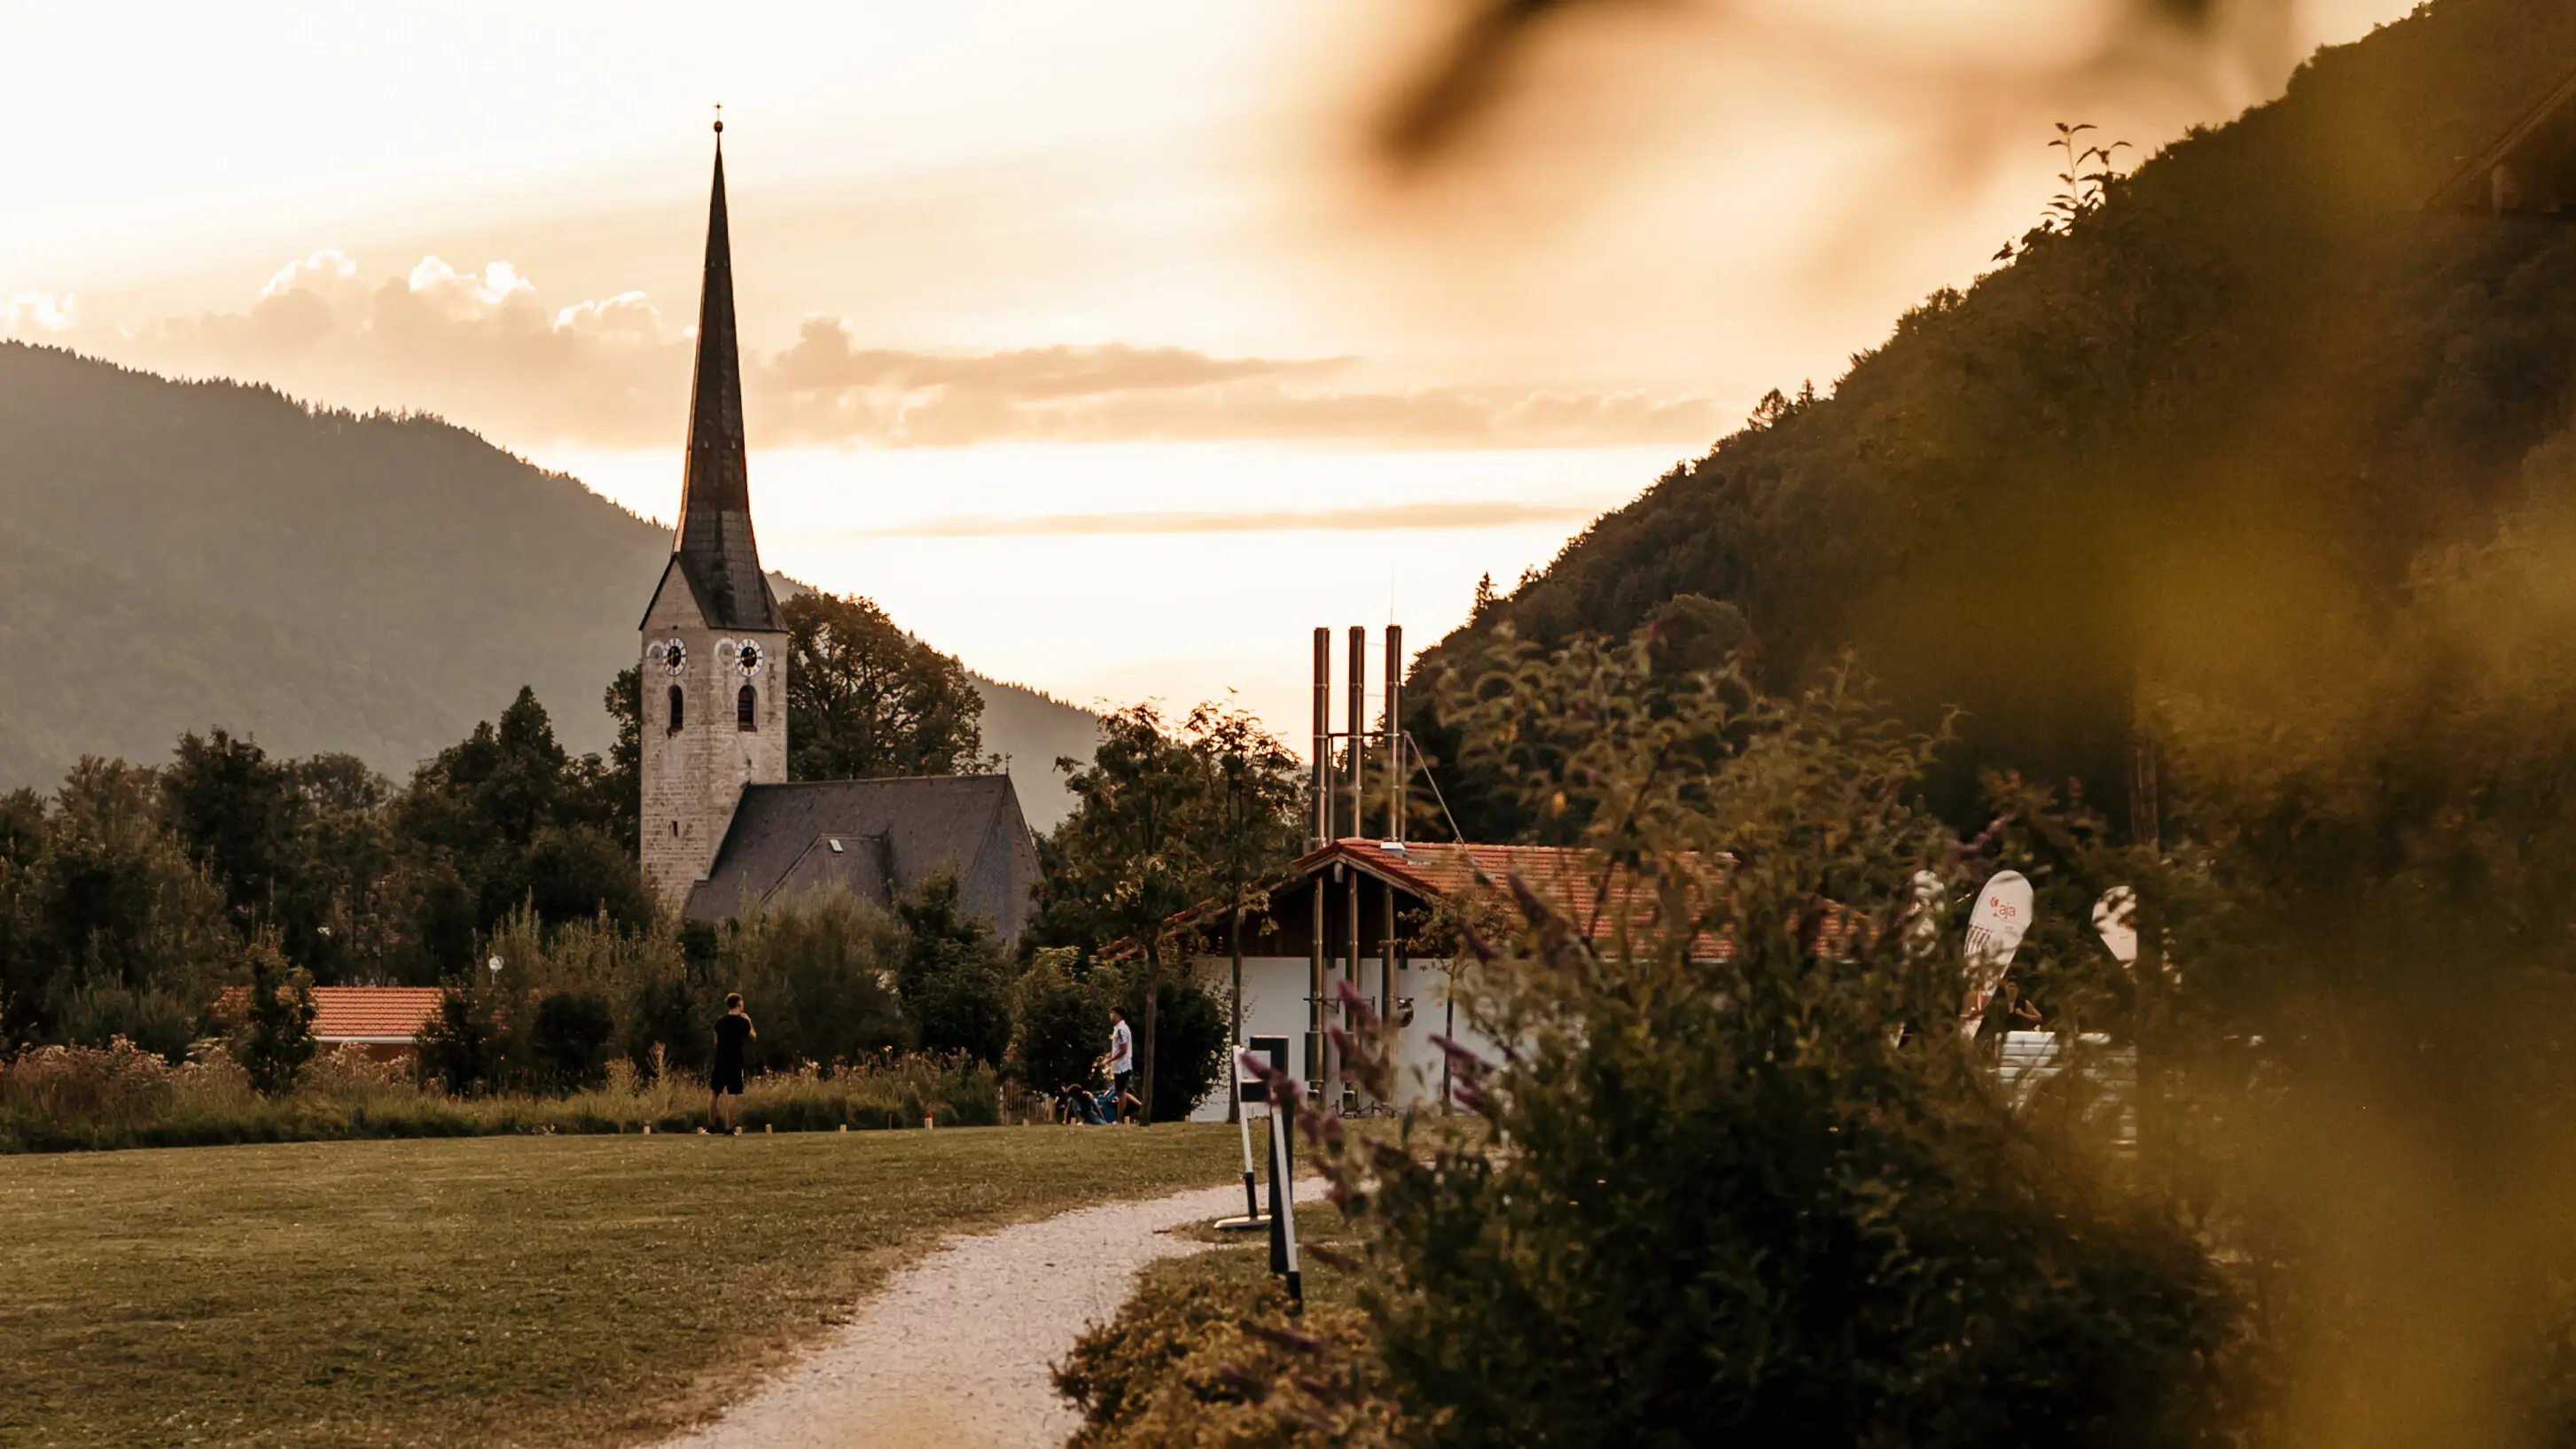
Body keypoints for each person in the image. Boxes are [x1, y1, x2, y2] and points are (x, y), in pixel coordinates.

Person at [708, 993, 755, 1134]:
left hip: (721, 1059)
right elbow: (753, 1036)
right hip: (735, 1060)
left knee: (714, 1093)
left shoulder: (720, 1022)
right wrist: (749, 1021)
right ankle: (729, 1128)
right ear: (739, 1005)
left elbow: (715, 1042)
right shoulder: (743, 1022)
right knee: (733, 1093)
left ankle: (711, 1126)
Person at [1108, 1005, 1136, 1125]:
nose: (1110, 1016)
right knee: (1120, 1092)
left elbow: (1123, 1049)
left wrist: (1110, 1060)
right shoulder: (1118, 1028)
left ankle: (1119, 1119)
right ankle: (1119, 1118)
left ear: (1117, 1015)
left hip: (1122, 1066)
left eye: (1112, 1013)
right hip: (1119, 1065)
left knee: (1121, 1093)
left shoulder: (1121, 1029)